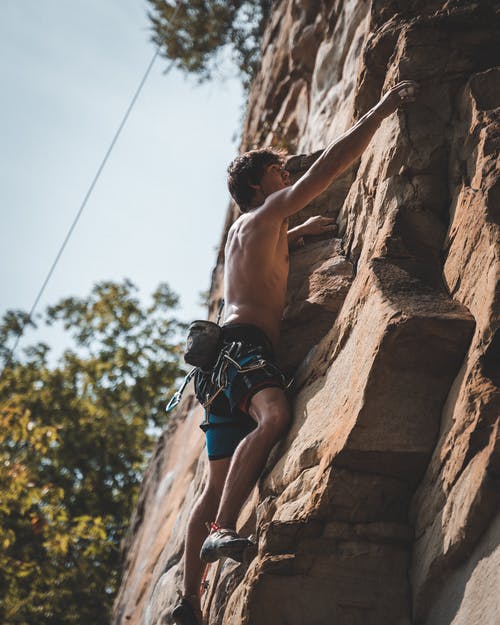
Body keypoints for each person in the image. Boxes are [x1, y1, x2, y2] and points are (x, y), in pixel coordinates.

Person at [172, 80, 419, 625]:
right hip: (244, 350)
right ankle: (222, 534)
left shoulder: (251, 230)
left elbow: (262, 263)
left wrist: (300, 232)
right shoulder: (263, 215)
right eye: (279, 175)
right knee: (276, 415)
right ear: (261, 187)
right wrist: (381, 110)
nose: (288, 178)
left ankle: (188, 602)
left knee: (214, 482)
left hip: (219, 365)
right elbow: (327, 169)